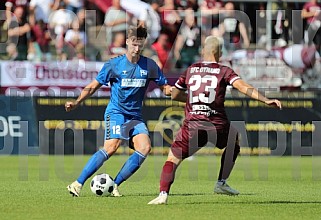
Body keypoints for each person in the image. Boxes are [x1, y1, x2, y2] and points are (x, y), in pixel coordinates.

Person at [148, 36, 282, 205]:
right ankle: (221, 182)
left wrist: (192, 100)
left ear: (204, 51)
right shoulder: (224, 70)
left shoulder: (191, 69)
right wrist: (265, 100)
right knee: (234, 139)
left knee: (173, 158)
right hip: (216, 124)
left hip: (193, 123)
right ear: (219, 53)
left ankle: (163, 194)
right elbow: (242, 87)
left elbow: (174, 94)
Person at [66, 25, 172, 197]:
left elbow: (165, 86)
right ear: (127, 42)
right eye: (134, 44)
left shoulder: (150, 66)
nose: (137, 48)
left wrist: (172, 91)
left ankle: (114, 185)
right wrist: (77, 102)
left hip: (135, 116)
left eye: (140, 45)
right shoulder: (114, 65)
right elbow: (93, 86)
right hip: (116, 112)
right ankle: (77, 183)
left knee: (144, 148)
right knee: (112, 146)